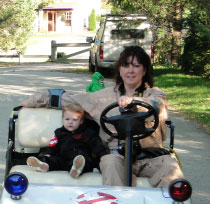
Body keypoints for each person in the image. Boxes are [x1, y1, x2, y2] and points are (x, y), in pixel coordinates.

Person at [20, 45, 184, 188]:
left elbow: (156, 105)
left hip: (148, 157)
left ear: (144, 70)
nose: (130, 70)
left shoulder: (153, 94)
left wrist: (133, 101)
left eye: (136, 65)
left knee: (171, 167)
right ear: (120, 69)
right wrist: (34, 100)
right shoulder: (103, 97)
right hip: (117, 157)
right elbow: (69, 99)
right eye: (126, 65)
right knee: (109, 161)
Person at [26, 104, 107, 178]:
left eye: (74, 120)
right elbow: (53, 145)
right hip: (63, 158)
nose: (70, 122)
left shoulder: (88, 133)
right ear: (62, 120)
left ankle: (76, 169)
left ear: (81, 121)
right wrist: (49, 154)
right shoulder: (59, 132)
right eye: (67, 119)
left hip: (81, 158)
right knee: (53, 160)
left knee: (85, 161)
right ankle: (43, 164)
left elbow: (97, 145)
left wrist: (103, 156)